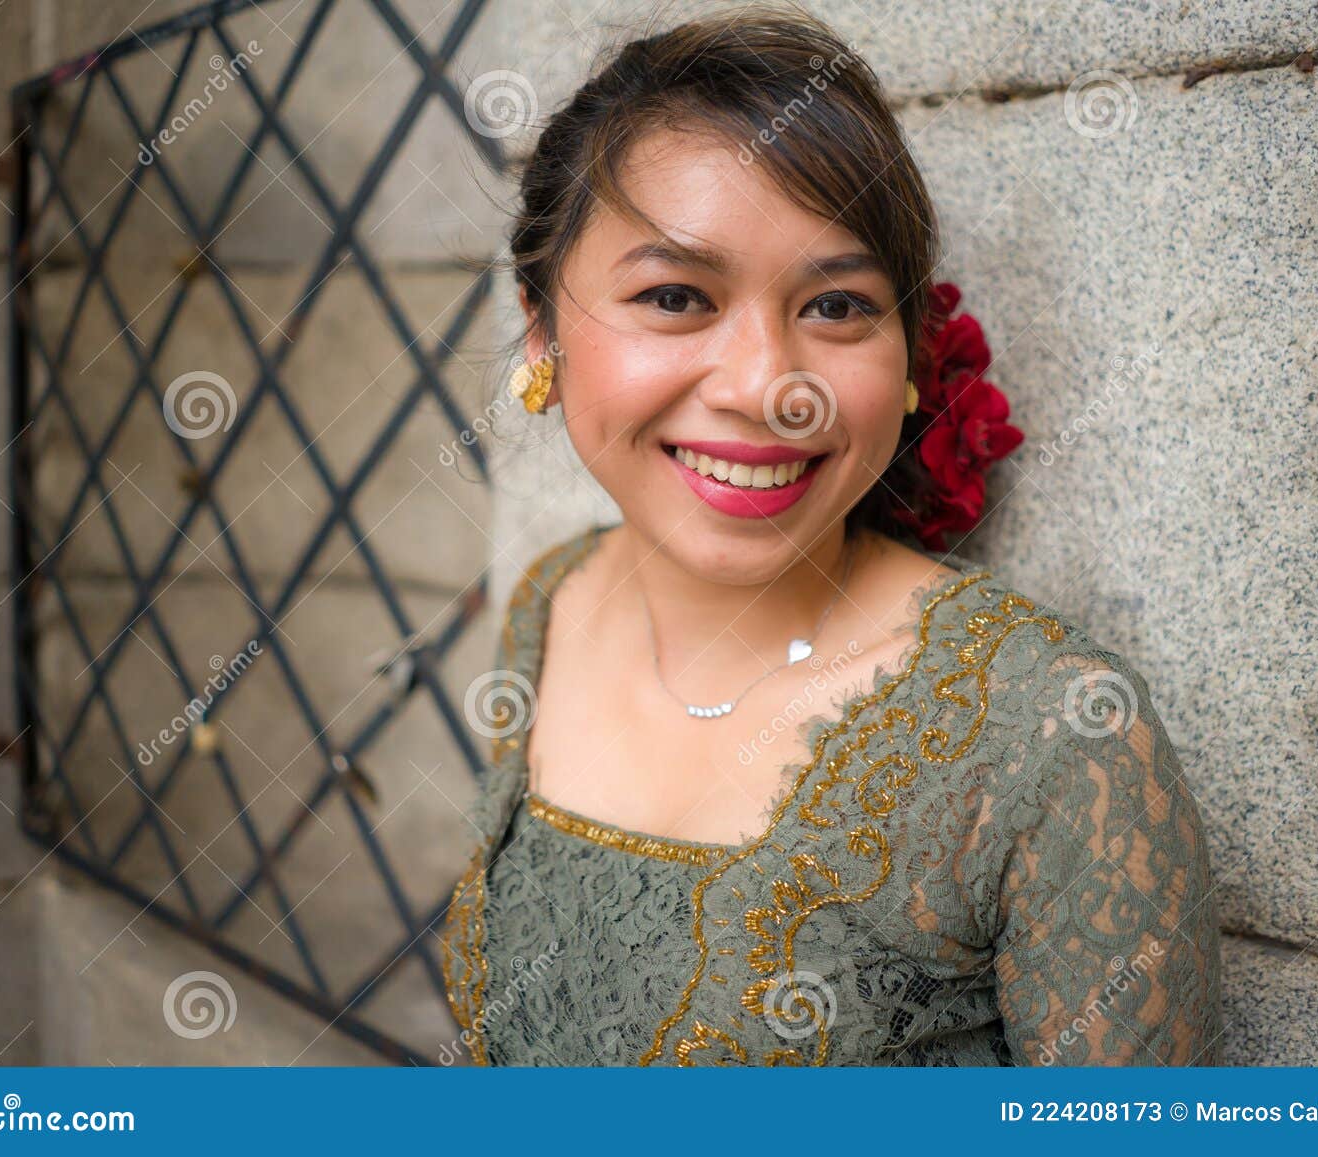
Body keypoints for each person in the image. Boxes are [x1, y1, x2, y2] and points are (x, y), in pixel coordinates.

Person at [442, 2, 1222, 1066]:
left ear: (908, 357)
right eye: (675, 295)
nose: (770, 388)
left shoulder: (1056, 742)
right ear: (542, 330)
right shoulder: (549, 602)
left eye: (837, 306)